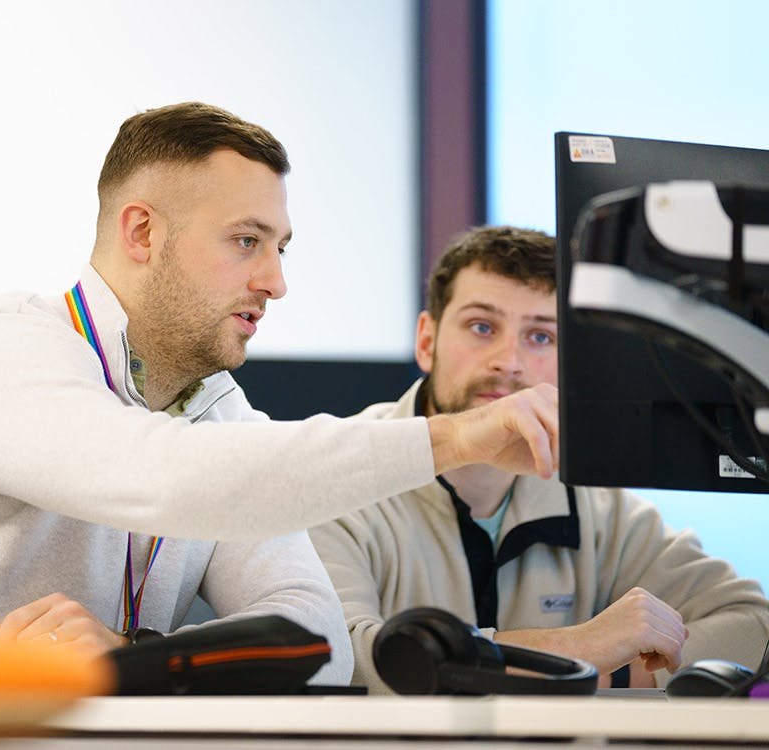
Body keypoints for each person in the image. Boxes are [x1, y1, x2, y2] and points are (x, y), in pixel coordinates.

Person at [0, 104, 559, 685]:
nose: (275, 280)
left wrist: (135, 660)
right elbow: (153, 477)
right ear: (142, 233)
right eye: (246, 241)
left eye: (280, 248)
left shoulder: (213, 412)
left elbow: (320, 643)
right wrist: (455, 437)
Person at [309, 224, 769, 692]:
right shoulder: (341, 473)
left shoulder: (592, 499)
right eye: (481, 327)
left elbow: (754, 625)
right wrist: (577, 651)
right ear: (427, 341)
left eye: (541, 337)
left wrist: (609, 672)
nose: (508, 361)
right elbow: (341, 660)